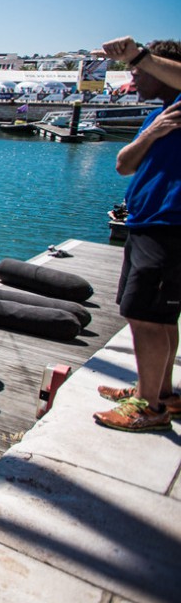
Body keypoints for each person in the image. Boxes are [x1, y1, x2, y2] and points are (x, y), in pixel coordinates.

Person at [92, 37, 181, 432]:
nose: (133, 75)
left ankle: (150, 408)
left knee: (147, 315)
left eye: (139, 70)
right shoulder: (160, 115)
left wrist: (140, 53)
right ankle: (160, 393)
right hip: (145, 225)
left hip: (170, 227)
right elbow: (123, 164)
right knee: (153, 316)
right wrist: (152, 133)